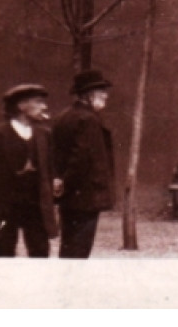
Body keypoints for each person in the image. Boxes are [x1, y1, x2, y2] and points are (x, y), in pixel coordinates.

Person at [0, 83, 59, 258]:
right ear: (21, 106)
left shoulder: (44, 135)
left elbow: (50, 171)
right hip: (4, 209)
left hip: (36, 209)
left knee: (41, 254)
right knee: (4, 254)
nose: (44, 107)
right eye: (38, 102)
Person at [50, 69, 115, 258]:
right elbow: (82, 159)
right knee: (79, 249)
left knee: (68, 246)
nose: (106, 95)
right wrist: (67, 182)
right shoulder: (88, 119)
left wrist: (60, 183)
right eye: (101, 90)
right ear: (88, 94)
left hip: (68, 197)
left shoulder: (63, 116)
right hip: (85, 197)